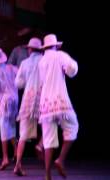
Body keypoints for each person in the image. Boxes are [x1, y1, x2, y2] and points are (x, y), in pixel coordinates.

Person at [38, 34, 79, 180]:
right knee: (73, 126)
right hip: (60, 101)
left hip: (46, 103)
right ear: (55, 45)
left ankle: (47, 174)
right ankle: (60, 159)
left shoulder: (42, 61)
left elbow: (41, 82)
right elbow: (72, 69)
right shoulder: (60, 55)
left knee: (48, 139)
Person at [13, 37, 43, 176]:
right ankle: (40, 145)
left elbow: (18, 83)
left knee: (23, 134)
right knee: (52, 125)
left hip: (29, 98)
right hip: (43, 97)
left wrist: (27, 81)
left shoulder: (24, 63)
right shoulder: (45, 60)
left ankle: (18, 163)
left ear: (30, 49)